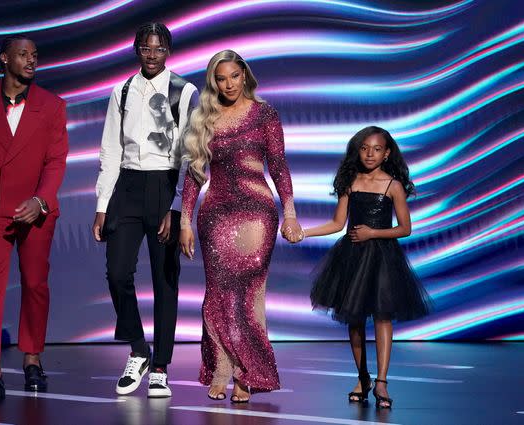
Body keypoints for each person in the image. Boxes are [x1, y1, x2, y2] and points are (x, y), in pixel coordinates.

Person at [179, 50, 301, 403]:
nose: (228, 84)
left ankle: (247, 374)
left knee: (248, 296)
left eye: (234, 76)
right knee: (217, 294)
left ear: (245, 76)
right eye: (221, 78)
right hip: (215, 214)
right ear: (212, 82)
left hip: (256, 214)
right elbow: (193, 175)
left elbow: (278, 165)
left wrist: (290, 213)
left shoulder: (264, 114)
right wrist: (185, 220)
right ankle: (221, 370)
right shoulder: (205, 118)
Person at [0, 34, 68, 398]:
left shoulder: (52, 106)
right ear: (5, 59)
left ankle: (32, 360)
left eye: (35, 55)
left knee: (35, 285)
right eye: (23, 54)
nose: (31, 60)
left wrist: (41, 200)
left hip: (36, 211)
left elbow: (56, 161)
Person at [92, 22, 198, 398]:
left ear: (168, 50)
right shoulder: (122, 91)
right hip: (128, 185)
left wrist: (177, 206)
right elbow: (110, 149)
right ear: (136, 49)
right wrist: (103, 203)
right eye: (145, 48)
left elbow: (189, 152)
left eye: (159, 49)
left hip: (164, 185)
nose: (152, 55)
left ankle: (161, 367)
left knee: (164, 279)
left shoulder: (184, 91)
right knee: (117, 272)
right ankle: (138, 349)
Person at [298, 126, 431, 408]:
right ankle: (362, 376)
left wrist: (373, 233)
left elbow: (405, 228)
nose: (370, 154)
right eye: (364, 148)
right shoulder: (350, 182)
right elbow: (337, 224)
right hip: (352, 257)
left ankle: (381, 382)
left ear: (387, 153)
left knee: (383, 317)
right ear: (357, 151)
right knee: (354, 320)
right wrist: (304, 233)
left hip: (382, 258)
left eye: (377, 149)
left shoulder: (392, 186)